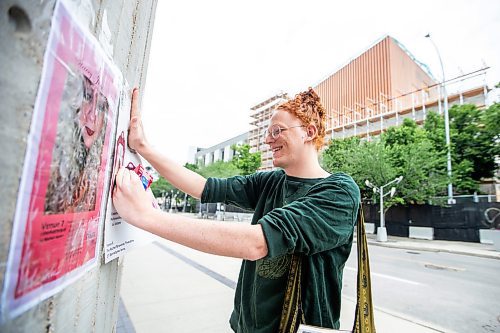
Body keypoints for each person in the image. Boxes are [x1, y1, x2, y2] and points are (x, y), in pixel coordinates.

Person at [113, 87, 360, 332]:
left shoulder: (339, 192)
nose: (267, 139)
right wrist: (143, 146)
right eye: (267, 132)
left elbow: (257, 243)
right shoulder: (270, 182)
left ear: (309, 132)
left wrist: (146, 216)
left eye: (277, 131)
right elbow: (204, 187)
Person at [45, 73, 109, 214]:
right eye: (86, 97)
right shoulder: (50, 169)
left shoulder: (96, 182)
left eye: (100, 106)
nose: (93, 115)